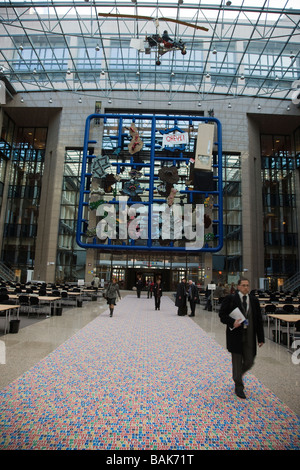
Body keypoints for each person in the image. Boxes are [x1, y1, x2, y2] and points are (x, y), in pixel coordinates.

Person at [219, 277, 265, 399]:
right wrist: (232, 322)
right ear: (238, 286)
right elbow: (222, 315)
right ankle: (239, 385)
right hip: (236, 335)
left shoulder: (254, 300)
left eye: (247, 285)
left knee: (250, 360)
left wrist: (261, 338)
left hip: (250, 335)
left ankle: (237, 375)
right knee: (237, 361)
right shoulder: (231, 299)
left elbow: (258, 320)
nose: (246, 288)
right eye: (243, 285)